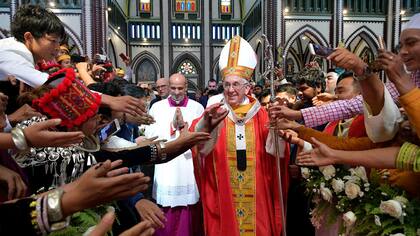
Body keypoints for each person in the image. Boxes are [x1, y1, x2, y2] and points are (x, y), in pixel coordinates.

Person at [190, 36, 289, 236]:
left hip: (258, 190)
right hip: (224, 189)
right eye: (226, 85)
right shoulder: (215, 112)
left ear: (247, 87)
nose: (231, 90)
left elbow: (276, 153)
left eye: (236, 84)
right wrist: (206, 126)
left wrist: (275, 129)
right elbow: (196, 141)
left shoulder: (262, 114)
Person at [144, 73, 204, 236]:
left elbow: (202, 135)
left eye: (180, 88)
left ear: (186, 88)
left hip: (188, 164)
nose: (176, 92)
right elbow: (150, 134)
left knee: (188, 205)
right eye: (173, 88)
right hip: (166, 165)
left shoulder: (197, 107)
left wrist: (185, 128)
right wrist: (172, 125)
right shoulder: (157, 107)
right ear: (168, 87)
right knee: (165, 205)